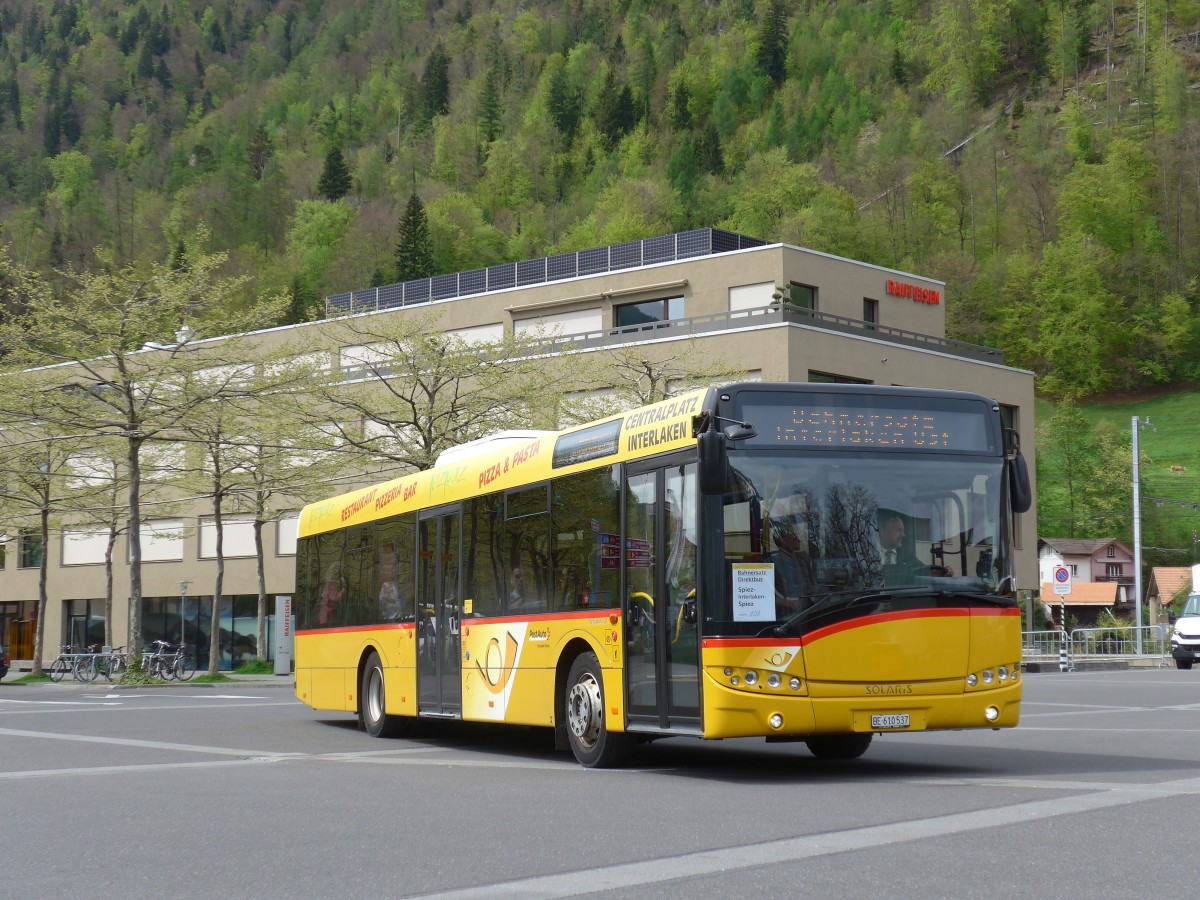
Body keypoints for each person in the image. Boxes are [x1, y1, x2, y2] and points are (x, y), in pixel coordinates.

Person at [877, 509, 953, 584]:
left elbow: (923, 571)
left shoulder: (906, 555)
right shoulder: (868, 555)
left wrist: (943, 572)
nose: (903, 535)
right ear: (883, 531)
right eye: (898, 530)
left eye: (903, 531)